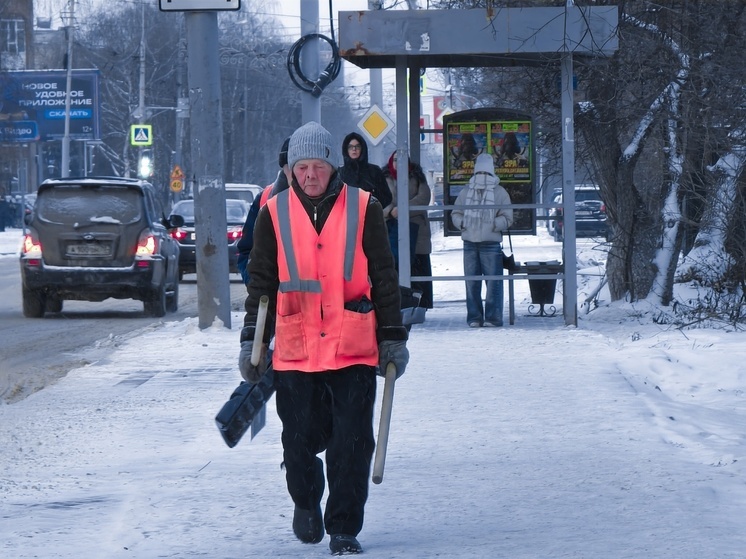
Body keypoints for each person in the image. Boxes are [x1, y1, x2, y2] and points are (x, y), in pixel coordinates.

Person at [238, 121, 409, 556]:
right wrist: (251, 344)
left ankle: (344, 527)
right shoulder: (272, 213)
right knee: (299, 441)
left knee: (352, 442)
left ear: (333, 166)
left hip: (352, 344)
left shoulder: (364, 207)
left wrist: (392, 337)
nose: (309, 174)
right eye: (301, 167)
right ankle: (306, 499)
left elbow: (384, 276)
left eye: (317, 165)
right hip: (297, 347)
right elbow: (261, 283)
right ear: (291, 169)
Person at [451, 153, 514, 327]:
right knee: (473, 283)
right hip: (470, 243)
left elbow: (507, 217)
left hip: (490, 243)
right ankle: (475, 317)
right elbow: (456, 213)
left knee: (492, 283)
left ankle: (492, 318)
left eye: (486, 173)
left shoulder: (499, 192)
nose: (483, 177)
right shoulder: (467, 192)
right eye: (481, 173)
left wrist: (494, 224)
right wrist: (462, 222)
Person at [236, 137, 291, 286]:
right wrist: (255, 283)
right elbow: (246, 249)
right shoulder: (264, 198)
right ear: (283, 166)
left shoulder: (324, 201)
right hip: (270, 298)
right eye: (290, 165)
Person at [382, 151, 434, 310]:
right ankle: (396, 305)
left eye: (402, 159)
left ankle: (421, 305)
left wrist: (404, 209)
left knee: (419, 267)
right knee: (394, 266)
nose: (399, 163)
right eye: (396, 160)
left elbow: (424, 198)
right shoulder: (383, 177)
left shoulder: (417, 177)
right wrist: (391, 210)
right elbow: (378, 199)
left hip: (417, 230)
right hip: (391, 228)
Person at [338, 132, 392, 211]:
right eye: (350, 147)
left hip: (370, 218)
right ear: (346, 150)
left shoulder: (374, 171)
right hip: (346, 217)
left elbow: (387, 197)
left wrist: (372, 205)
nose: (354, 149)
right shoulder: (340, 173)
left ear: (362, 149)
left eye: (357, 146)